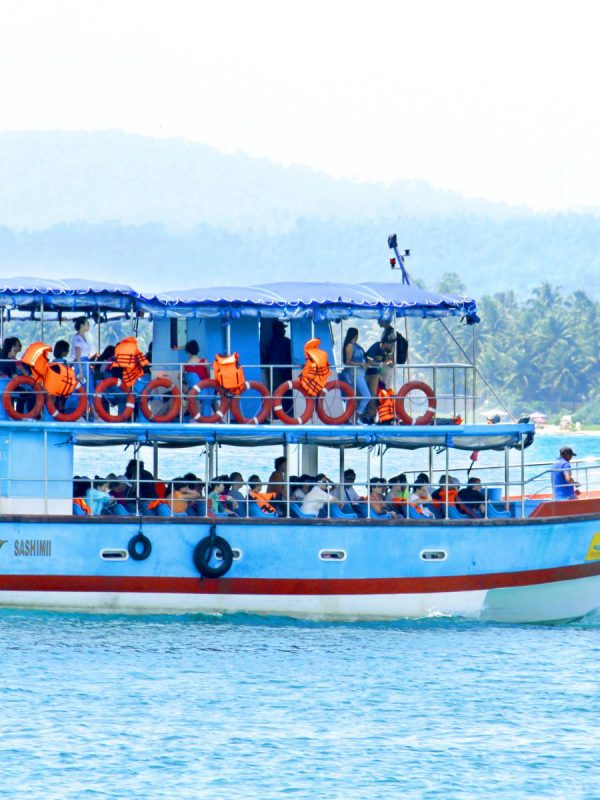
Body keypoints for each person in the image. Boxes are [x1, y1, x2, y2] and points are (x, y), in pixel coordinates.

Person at [340, 327, 370, 422]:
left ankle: (353, 419)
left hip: (361, 374)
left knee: (357, 398)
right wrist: (361, 364)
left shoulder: (357, 346)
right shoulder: (349, 346)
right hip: (354, 375)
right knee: (366, 396)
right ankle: (354, 418)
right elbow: (348, 362)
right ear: (356, 335)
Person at [364, 339, 394, 418]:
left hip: (375, 375)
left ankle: (371, 417)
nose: (391, 347)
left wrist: (389, 363)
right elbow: (369, 362)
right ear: (385, 343)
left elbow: (388, 361)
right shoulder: (375, 347)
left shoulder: (387, 350)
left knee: (373, 396)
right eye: (390, 344)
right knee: (364, 395)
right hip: (365, 374)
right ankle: (362, 416)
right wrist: (381, 364)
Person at [72, 316, 93, 386]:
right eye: (87, 323)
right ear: (82, 325)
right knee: (85, 386)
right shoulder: (78, 338)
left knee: (88, 385)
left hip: (85, 363)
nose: (89, 325)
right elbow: (78, 355)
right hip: (81, 363)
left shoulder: (83, 337)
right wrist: (80, 371)